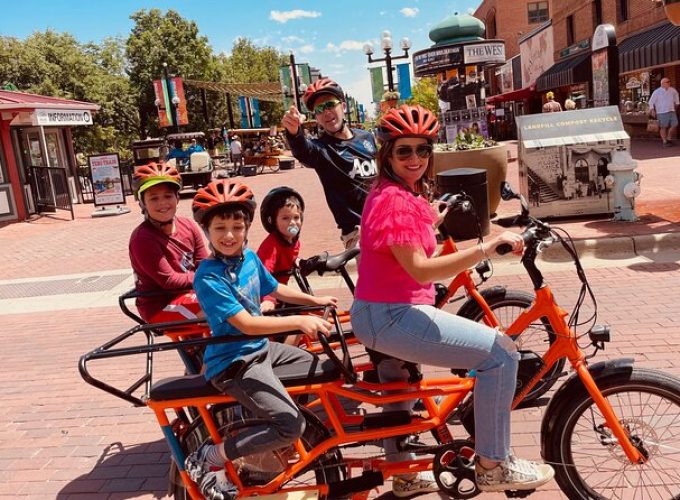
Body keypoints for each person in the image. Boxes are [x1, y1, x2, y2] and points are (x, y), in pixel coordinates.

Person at [350, 104, 555, 494]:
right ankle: (494, 464)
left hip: (382, 311)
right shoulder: (395, 199)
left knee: (402, 391)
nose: (415, 159)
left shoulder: (396, 193)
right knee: (500, 353)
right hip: (391, 315)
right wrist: (487, 245)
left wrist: (430, 219)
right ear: (387, 155)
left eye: (422, 150)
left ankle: (404, 474)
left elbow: (401, 241)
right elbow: (423, 270)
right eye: (403, 151)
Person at [184, 179, 337, 499]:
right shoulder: (208, 275)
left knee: (314, 365)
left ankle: (276, 429)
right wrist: (299, 320)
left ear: (248, 227)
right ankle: (212, 456)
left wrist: (315, 301)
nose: (229, 235)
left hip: (261, 350)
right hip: (234, 362)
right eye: (220, 227)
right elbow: (246, 324)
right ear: (207, 232)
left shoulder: (250, 259)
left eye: (237, 226)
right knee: (289, 425)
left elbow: (275, 289)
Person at [282, 78, 377, 250]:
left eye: (330, 105)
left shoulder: (366, 138)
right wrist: (294, 132)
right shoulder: (321, 149)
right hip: (359, 231)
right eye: (319, 109)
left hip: (386, 219)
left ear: (343, 106)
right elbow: (303, 150)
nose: (326, 112)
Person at [128, 161, 208, 323]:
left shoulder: (188, 225)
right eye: (154, 198)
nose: (162, 203)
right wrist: (206, 276)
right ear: (143, 203)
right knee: (218, 307)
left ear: (177, 198)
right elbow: (170, 281)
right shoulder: (143, 238)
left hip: (190, 294)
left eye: (168, 196)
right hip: (160, 305)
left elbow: (203, 263)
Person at [257, 187, 304, 320]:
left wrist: (297, 261)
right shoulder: (272, 245)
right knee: (299, 321)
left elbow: (290, 256)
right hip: (266, 295)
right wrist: (268, 300)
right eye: (285, 218)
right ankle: (287, 342)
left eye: (296, 217)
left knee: (308, 312)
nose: (293, 222)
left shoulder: (293, 241)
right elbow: (264, 276)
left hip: (280, 293)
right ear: (272, 221)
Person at [648, 77, 680, 147]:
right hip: (661, 112)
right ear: (662, 84)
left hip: (671, 110)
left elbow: (676, 99)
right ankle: (665, 141)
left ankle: (669, 138)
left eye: (669, 81)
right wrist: (652, 110)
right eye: (667, 82)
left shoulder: (672, 90)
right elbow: (651, 102)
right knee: (663, 127)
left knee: (675, 124)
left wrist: (676, 105)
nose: (669, 83)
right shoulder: (657, 92)